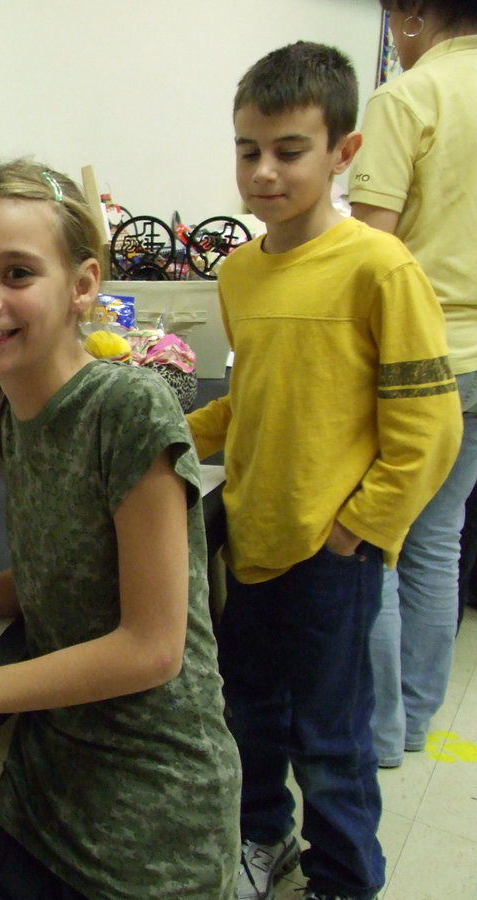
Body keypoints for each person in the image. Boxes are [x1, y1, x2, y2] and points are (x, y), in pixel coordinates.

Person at [0, 157, 241, 899]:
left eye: (17, 273)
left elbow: (152, 650)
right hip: (47, 780)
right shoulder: (12, 403)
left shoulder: (127, 410)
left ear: (84, 285)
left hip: (151, 815)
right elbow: (54, 574)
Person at [185, 42, 461, 900]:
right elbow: (252, 401)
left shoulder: (381, 268)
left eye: (289, 150)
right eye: (247, 150)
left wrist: (357, 531)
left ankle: (346, 878)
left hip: (330, 556)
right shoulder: (238, 271)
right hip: (254, 538)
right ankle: (265, 839)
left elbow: (427, 426)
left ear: (344, 153)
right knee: (249, 715)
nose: (263, 172)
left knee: (333, 739)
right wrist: (162, 433)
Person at [348, 0, 477, 770]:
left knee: (379, 543)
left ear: (419, 13)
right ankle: (416, 720)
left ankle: (380, 733)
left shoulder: (408, 97)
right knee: (440, 538)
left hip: (425, 357)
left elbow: (369, 255)